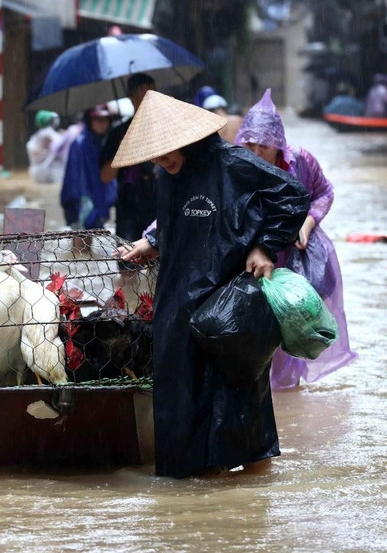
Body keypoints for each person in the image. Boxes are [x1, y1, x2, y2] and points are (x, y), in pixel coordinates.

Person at [114, 91, 310, 478]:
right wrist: (151, 244)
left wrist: (264, 247)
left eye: (167, 150)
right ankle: (194, 492)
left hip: (229, 301)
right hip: (177, 299)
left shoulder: (234, 162)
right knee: (181, 396)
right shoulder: (165, 174)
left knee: (238, 392)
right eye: (154, 153)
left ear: (188, 138)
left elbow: (294, 196)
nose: (161, 159)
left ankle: (251, 487)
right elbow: (176, 225)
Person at [234, 88, 357, 390]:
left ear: (278, 144)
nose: (255, 151)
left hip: (297, 257)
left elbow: (325, 192)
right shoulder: (237, 166)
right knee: (260, 329)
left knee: (294, 324)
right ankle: (267, 393)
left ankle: (288, 395)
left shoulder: (301, 161)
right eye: (248, 143)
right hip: (257, 257)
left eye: (263, 145)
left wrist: (309, 220)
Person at [99, 73, 157, 242]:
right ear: (132, 99)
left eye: (155, 95)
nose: (151, 101)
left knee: (160, 265)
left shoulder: (165, 130)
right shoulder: (119, 133)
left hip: (161, 207)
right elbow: (105, 176)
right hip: (128, 208)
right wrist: (123, 149)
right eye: (145, 96)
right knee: (127, 262)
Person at [60, 105, 117, 235]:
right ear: (90, 121)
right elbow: (75, 178)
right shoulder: (80, 144)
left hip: (99, 201)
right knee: (81, 244)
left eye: (105, 120)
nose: (102, 124)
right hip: (82, 202)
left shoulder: (105, 142)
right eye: (98, 120)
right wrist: (78, 203)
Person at [26, 110, 65, 184]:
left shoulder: (34, 138)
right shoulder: (51, 135)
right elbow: (63, 147)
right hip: (53, 174)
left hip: (36, 175)